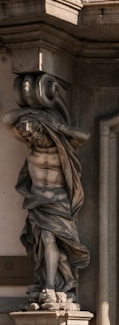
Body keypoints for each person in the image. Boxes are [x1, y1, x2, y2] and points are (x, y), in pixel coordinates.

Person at [6, 107, 91, 309]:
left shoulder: (63, 146)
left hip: (59, 202)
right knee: (45, 240)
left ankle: (60, 283)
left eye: (34, 133)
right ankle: (49, 286)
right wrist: (31, 110)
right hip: (38, 202)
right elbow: (6, 120)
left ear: (44, 129)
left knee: (61, 252)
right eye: (28, 136)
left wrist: (58, 126)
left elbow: (85, 136)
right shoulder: (30, 148)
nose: (31, 138)